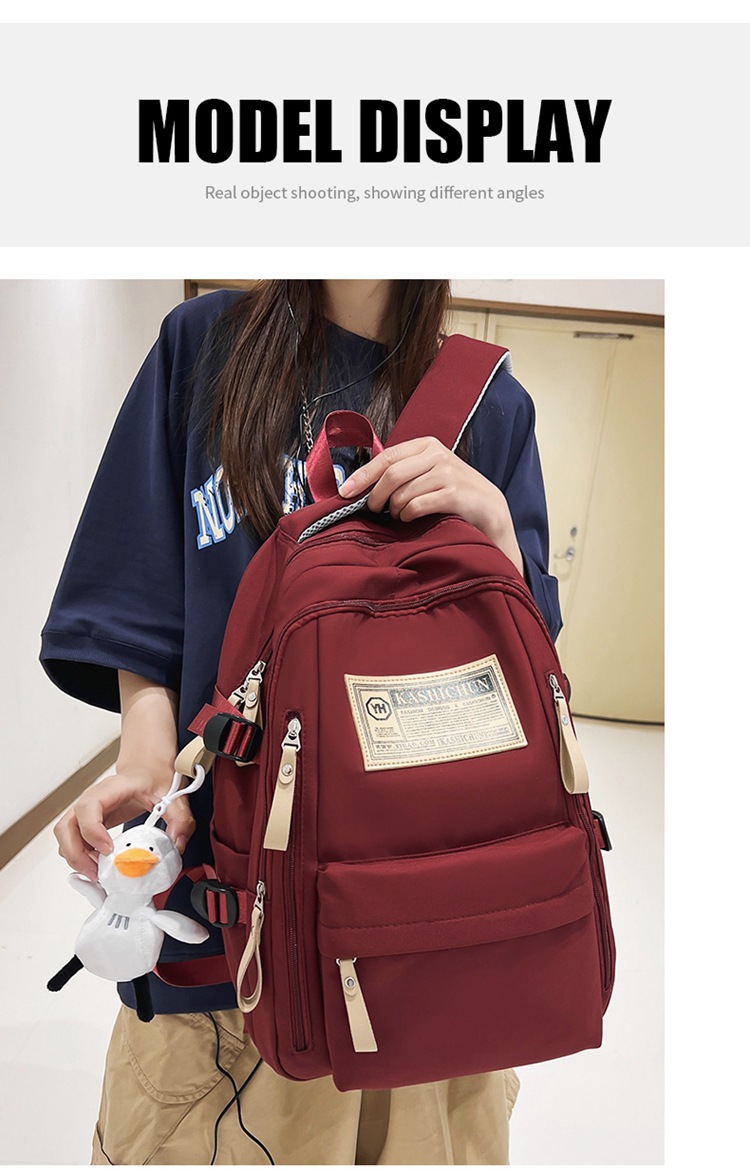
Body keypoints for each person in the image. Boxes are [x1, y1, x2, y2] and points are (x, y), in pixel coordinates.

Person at [41, 279, 562, 1165]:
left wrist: (499, 540)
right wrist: (147, 757)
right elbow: (138, 579)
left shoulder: (491, 403)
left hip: (432, 942)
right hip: (231, 954)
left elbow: (530, 670)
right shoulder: (205, 345)